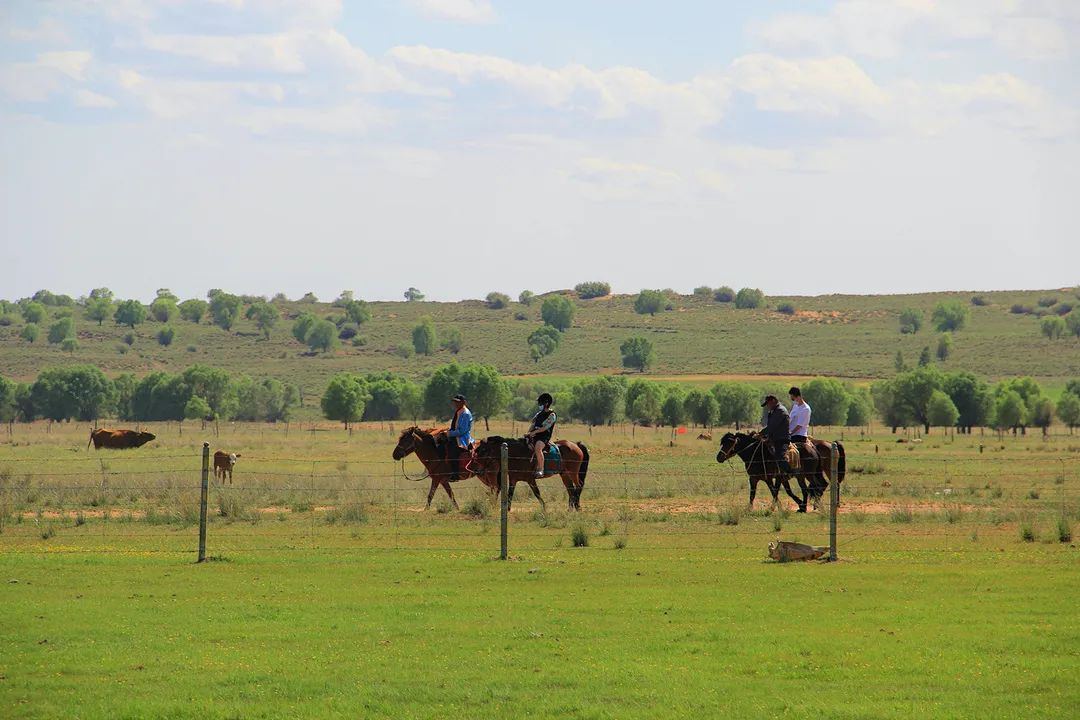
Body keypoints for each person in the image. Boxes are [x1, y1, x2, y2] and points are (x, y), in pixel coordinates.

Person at [760, 395, 795, 476]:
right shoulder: (773, 411)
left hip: (782, 438)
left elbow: (772, 426)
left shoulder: (780, 411)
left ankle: (791, 472)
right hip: (774, 438)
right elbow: (770, 427)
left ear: (773, 401)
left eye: (768, 404)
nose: (767, 406)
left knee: (780, 456)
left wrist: (761, 433)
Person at [525, 393, 557, 478]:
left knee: (538, 448)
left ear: (546, 403)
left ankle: (540, 469)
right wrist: (528, 433)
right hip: (534, 434)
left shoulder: (552, 415)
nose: (539, 405)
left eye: (540, 403)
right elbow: (533, 424)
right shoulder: (538, 414)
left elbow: (544, 428)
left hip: (544, 437)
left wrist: (533, 433)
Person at [445, 394, 473, 481]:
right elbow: (455, 427)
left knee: (453, 451)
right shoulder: (459, 411)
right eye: (454, 402)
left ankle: (455, 475)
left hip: (462, 439)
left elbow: (462, 431)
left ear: (463, 402)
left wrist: (449, 434)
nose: (455, 404)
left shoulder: (465, 413)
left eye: (457, 402)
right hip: (455, 437)